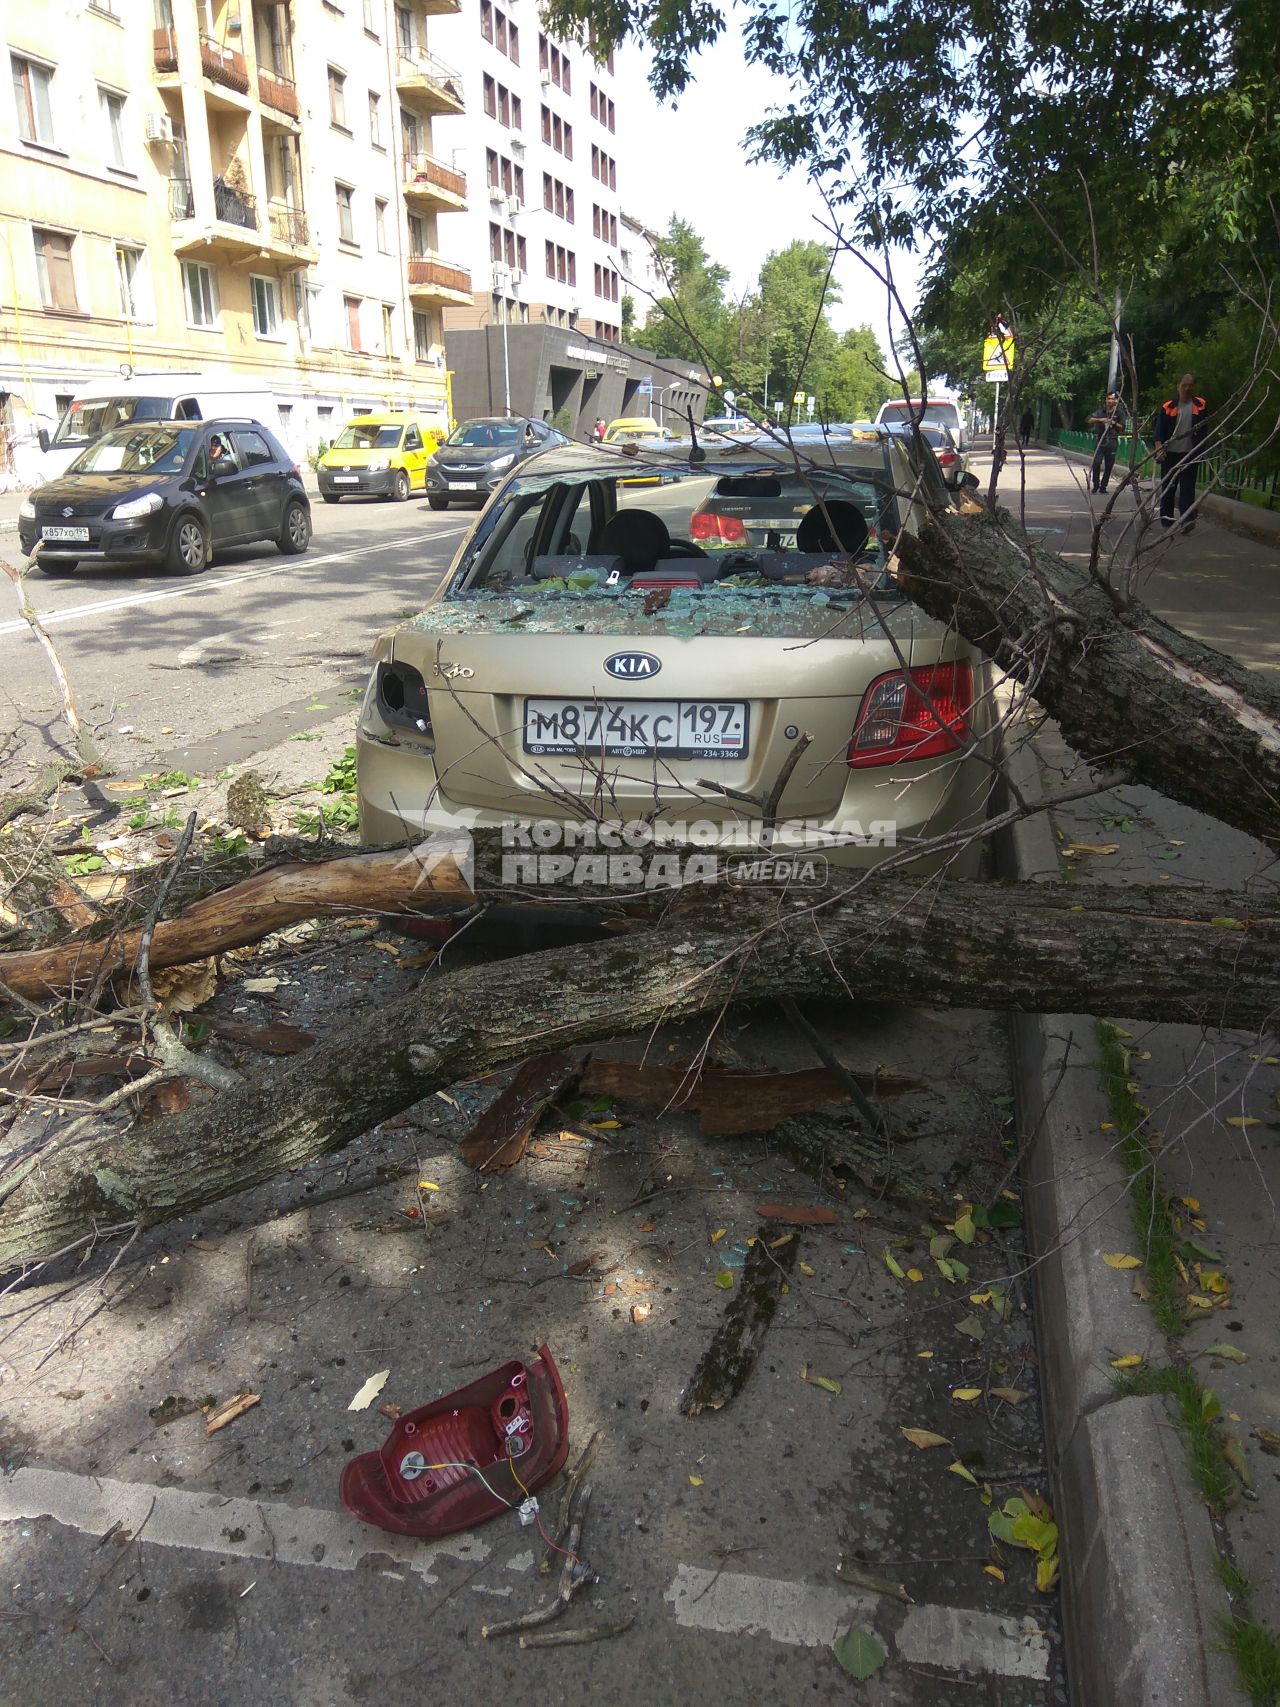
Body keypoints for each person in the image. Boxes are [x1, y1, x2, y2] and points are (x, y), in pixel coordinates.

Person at [1152, 372, 1208, 532]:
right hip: (1169, 454)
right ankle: (1167, 521)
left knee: (1188, 488)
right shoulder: (1168, 407)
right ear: (1178, 386)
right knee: (1169, 487)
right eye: (1184, 385)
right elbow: (1159, 431)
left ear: (1194, 387)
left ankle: (1187, 521)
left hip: (1190, 453)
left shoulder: (1201, 405)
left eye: (1190, 385)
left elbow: (1204, 429)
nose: (1187, 388)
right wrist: (1159, 448)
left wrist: (1201, 450)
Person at [1087, 390, 1129, 493]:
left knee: (1109, 465)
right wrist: (1100, 420)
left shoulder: (1119, 412)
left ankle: (1103, 487)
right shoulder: (1101, 411)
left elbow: (1122, 427)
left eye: (1112, 399)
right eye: (1108, 398)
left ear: (1116, 400)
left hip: (1112, 442)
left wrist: (1113, 422)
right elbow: (1089, 419)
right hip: (1100, 441)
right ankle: (1095, 485)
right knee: (1096, 463)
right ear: (1106, 400)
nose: (1110, 401)